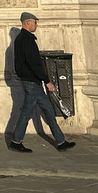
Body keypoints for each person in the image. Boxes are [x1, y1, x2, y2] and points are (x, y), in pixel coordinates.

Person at [9, 12, 75, 152]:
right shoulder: (26, 40)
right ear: (27, 22)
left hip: (33, 82)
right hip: (32, 82)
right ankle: (16, 141)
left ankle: (61, 141)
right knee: (27, 112)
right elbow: (34, 64)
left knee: (48, 110)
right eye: (34, 22)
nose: (36, 25)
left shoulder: (21, 39)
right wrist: (47, 81)